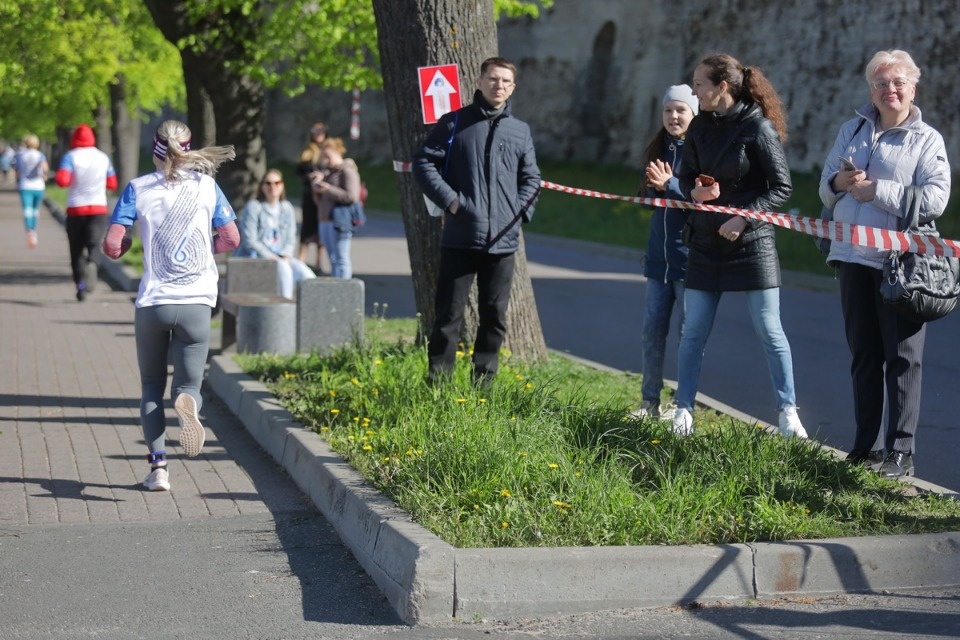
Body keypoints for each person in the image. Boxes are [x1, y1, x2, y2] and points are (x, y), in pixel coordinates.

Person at [818, 50, 950, 479]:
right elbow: (824, 189)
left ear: (913, 87)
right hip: (852, 256)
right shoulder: (851, 129)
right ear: (870, 90)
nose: (889, 90)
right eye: (880, 83)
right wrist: (839, 183)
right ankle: (864, 445)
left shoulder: (927, 140)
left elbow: (935, 199)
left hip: (900, 265)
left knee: (902, 358)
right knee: (864, 355)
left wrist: (878, 191)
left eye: (897, 83)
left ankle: (901, 452)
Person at [101, 120, 240, 492]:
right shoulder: (208, 186)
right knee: (189, 383)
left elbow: (112, 246)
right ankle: (188, 400)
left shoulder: (138, 188)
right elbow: (231, 237)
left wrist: (131, 247)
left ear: (155, 149)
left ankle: (158, 469)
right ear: (188, 147)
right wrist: (198, 252)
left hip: (154, 303)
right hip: (196, 301)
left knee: (150, 386)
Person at [673, 53, 806, 439]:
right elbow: (684, 178)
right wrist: (694, 191)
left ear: (722, 87)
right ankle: (683, 410)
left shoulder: (758, 128)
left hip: (752, 244)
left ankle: (788, 413)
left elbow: (781, 187)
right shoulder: (698, 127)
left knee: (769, 329)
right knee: (692, 332)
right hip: (703, 241)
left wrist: (744, 216)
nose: (694, 89)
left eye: (699, 84)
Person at [413, 56, 541, 385]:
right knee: (448, 317)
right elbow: (424, 163)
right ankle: (437, 386)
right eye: (493, 79)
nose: (498, 86)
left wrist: (519, 212)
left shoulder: (520, 131)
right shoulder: (454, 123)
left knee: (494, 317)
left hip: (503, 241)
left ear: (512, 89)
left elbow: (531, 179)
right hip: (460, 236)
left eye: (505, 82)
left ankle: (482, 387)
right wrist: (452, 202)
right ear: (480, 82)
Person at [634, 85, 698, 421]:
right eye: (668, 111)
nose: (674, 117)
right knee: (652, 331)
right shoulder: (658, 150)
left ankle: (684, 406)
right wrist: (649, 187)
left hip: (689, 261)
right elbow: (648, 201)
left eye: (681, 111)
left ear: (693, 114)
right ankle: (649, 402)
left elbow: (704, 202)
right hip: (658, 260)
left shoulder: (700, 152)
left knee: (689, 337)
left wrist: (670, 186)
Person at [55, 124, 118, 301]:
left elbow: (62, 180)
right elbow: (112, 183)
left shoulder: (70, 157)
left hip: (76, 209)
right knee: (94, 244)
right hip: (98, 208)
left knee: (75, 251)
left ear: (74, 138)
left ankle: (80, 287)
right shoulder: (103, 158)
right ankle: (92, 262)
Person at [234, 169, 316, 299]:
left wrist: (285, 255)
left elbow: (290, 238)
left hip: (281, 256)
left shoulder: (286, 208)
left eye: (277, 183)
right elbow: (250, 241)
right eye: (268, 183)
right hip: (256, 257)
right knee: (284, 269)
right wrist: (272, 257)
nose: (273, 187)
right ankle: (284, 308)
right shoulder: (254, 207)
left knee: (306, 273)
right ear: (262, 186)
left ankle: (310, 312)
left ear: (282, 185)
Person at [312, 137, 361, 279]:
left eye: (328, 156)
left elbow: (352, 196)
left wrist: (328, 189)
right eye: (323, 157)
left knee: (341, 258)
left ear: (338, 152)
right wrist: (317, 185)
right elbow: (318, 201)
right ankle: (336, 289)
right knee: (332, 259)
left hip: (340, 221)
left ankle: (345, 290)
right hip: (325, 220)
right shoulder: (328, 173)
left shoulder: (347, 171)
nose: (326, 161)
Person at [296, 122, 327, 273]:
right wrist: (309, 176)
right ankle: (300, 260)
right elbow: (299, 171)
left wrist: (324, 176)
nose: (319, 134)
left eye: (321, 131)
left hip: (324, 195)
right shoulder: (308, 151)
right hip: (310, 194)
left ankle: (318, 262)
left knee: (321, 227)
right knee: (307, 226)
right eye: (316, 131)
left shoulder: (328, 150)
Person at [13, 134, 48, 250]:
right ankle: (34, 231)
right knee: (35, 210)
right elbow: (44, 168)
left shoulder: (20, 155)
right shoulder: (40, 155)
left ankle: (30, 231)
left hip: (25, 186)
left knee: (27, 210)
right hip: (38, 186)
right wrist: (44, 175)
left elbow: (17, 172)